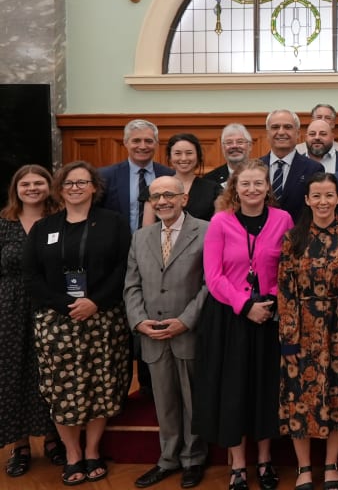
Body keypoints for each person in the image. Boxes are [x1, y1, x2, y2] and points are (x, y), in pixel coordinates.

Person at [24, 161, 132, 485]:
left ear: (94, 188)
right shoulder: (44, 228)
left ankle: (92, 451)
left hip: (103, 319)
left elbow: (124, 269)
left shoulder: (113, 223)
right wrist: (67, 304)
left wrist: (94, 302)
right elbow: (32, 276)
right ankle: (72, 454)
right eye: (69, 183)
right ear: (60, 189)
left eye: (82, 182)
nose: (75, 188)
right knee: (62, 389)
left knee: (100, 385)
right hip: (57, 322)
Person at [193, 159, 295, 490]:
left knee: (266, 390)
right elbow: (213, 275)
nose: (252, 189)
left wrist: (270, 300)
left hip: (271, 315)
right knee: (233, 390)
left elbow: (289, 268)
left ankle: (264, 461)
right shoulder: (220, 221)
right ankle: (238, 464)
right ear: (234, 189)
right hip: (229, 318)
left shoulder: (283, 219)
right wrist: (245, 304)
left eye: (258, 183)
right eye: (245, 184)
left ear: (268, 188)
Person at [124, 176, 209, 489]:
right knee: (164, 402)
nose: (162, 202)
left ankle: (194, 459)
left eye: (169, 195)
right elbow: (132, 285)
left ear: (183, 198)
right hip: (152, 334)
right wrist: (138, 321)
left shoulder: (206, 231)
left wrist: (186, 319)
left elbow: (209, 285)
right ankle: (168, 459)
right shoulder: (140, 237)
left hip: (188, 331)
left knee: (191, 398)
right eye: (155, 196)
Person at [278, 172, 338, 490]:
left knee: (337, 396)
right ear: (308, 200)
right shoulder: (293, 238)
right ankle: (303, 468)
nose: (323, 202)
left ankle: (331, 464)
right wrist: (288, 338)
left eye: (329, 195)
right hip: (301, 329)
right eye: (317, 196)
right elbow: (284, 291)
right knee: (299, 398)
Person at [0, 165, 63, 478]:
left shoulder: (58, 220)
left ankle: (53, 439)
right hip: (9, 308)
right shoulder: (3, 223)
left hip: (49, 306)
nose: (33, 188)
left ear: (49, 187)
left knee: (49, 371)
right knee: (13, 374)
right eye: (26, 184)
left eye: (39, 183)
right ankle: (20, 445)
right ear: (16, 189)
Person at [99, 118, 175, 231]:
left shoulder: (170, 176)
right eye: (136, 141)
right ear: (125, 143)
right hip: (118, 245)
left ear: (156, 144)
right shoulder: (105, 176)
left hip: (158, 244)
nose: (143, 146)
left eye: (149, 141)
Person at [260, 109, 325, 220]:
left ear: (298, 133)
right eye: (275, 127)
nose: (281, 132)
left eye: (288, 127)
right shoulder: (255, 167)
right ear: (267, 134)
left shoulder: (313, 169)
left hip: (299, 235)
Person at [145, 133, 220, 222]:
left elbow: (218, 228)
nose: (183, 158)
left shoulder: (214, 190)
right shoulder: (154, 188)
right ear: (169, 157)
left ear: (198, 156)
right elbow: (147, 231)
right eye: (177, 153)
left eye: (189, 153)